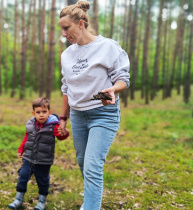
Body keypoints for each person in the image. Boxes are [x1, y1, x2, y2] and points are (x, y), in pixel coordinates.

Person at [58, 1, 130, 210]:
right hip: (78, 117)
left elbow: (123, 78)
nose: (64, 34)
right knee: (83, 163)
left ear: (81, 24)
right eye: (61, 29)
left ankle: (90, 207)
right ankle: (91, 198)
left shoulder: (107, 46)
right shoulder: (67, 55)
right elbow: (66, 88)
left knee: (92, 166)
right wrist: (63, 118)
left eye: (66, 28)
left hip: (103, 114)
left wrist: (113, 89)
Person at [8, 97, 69, 210]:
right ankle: (18, 199)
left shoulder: (53, 125)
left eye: (44, 112)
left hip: (44, 160)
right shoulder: (31, 124)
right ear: (34, 113)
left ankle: (42, 201)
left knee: (42, 180)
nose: (41, 115)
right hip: (28, 158)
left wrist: (65, 132)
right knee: (23, 176)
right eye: (38, 112)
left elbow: (61, 136)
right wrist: (21, 149)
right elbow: (27, 137)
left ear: (49, 112)